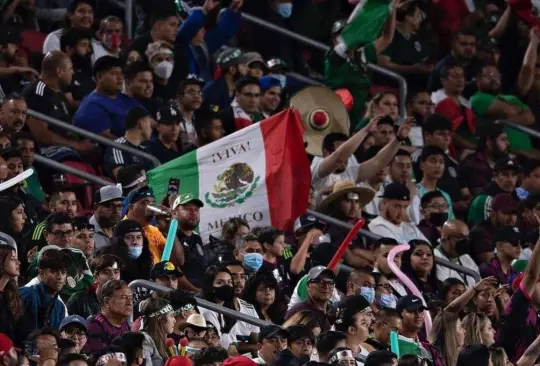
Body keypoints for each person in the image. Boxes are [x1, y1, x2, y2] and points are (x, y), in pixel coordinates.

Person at [22, 51, 96, 158]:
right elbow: (42, 136)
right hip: (48, 152)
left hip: (66, 147)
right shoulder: (37, 92)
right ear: (60, 72)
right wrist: (77, 145)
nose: (73, 72)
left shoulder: (58, 93)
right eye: (70, 69)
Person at [74, 56, 144, 139]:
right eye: (114, 73)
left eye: (121, 73)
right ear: (99, 77)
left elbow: (150, 121)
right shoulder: (91, 106)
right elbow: (109, 142)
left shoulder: (124, 98)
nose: (120, 78)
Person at [175, 0, 243, 82]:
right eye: (200, 27)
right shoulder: (180, 46)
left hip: (202, 90)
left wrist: (233, 10)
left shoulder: (205, 46)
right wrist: (204, 10)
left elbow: (222, 32)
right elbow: (188, 27)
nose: (204, 30)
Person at [19, 249, 69, 331]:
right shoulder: (25, 295)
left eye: (63, 272)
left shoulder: (60, 307)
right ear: (41, 273)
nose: (60, 277)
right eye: (53, 271)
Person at [103, 107, 154, 178]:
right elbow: (121, 178)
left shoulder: (144, 149)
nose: (151, 130)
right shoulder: (118, 146)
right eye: (150, 125)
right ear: (141, 124)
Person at [67, 254, 122, 319]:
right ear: (96, 277)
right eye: (106, 272)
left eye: (116, 272)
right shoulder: (78, 300)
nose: (113, 276)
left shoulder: (124, 300)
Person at [84, 280, 132, 354]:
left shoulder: (124, 324)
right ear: (106, 302)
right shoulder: (95, 325)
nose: (129, 303)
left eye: (130, 298)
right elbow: (98, 360)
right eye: (123, 298)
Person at [470, 192, 519, 264]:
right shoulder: (480, 232)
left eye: (514, 213)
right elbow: (492, 264)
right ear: (493, 213)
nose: (511, 218)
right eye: (506, 213)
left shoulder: (513, 230)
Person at [468, 159, 520, 226]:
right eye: (505, 174)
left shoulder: (516, 195)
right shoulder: (484, 199)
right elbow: (486, 230)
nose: (510, 179)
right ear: (495, 176)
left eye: (514, 175)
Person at [460, 125, 509, 196]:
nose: (508, 143)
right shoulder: (471, 164)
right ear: (489, 143)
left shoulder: (509, 163)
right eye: (503, 139)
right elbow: (467, 196)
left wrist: (525, 199)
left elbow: (519, 188)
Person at [99, 220, 153, 284]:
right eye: (129, 237)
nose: (135, 242)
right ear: (118, 241)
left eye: (139, 237)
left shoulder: (147, 261)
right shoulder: (106, 261)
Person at [198, 266, 238, 349]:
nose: (226, 286)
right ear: (210, 286)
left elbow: (233, 341)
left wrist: (233, 348)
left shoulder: (229, 308)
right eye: (220, 283)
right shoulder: (205, 311)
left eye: (229, 282)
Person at [285, 266, 335, 331]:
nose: (326, 286)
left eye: (330, 283)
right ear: (308, 286)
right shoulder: (299, 311)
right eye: (320, 282)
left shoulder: (334, 311)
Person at [172, 193, 205, 290]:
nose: (193, 212)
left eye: (196, 210)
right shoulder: (169, 236)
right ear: (174, 213)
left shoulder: (197, 238)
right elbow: (174, 268)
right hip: (182, 296)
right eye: (188, 209)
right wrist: (195, 291)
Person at [435, 220, 479, 287]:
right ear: (446, 238)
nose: (465, 241)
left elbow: (479, 280)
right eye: (460, 237)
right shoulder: (436, 258)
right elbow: (446, 288)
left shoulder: (465, 257)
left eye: (467, 237)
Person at [59, 27, 95, 108]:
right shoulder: (62, 72)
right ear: (69, 49)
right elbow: (69, 103)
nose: (89, 50)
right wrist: (96, 106)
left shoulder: (87, 68)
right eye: (84, 45)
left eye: (89, 45)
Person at [334, 295, 375, 361]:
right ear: (352, 330)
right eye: (363, 323)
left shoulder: (368, 350)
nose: (373, 318)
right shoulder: (339, 358)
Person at [139, 298, 176, 366]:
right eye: (172, 316)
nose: (174, 320)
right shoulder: (144, 340)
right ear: (160, 319)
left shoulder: (171, 345)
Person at [90, 185, 124, 252]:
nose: (116, 211)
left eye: (119, 206)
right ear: (96, 207)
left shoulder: (122, 230)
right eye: (111, 206)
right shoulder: (86, 232)